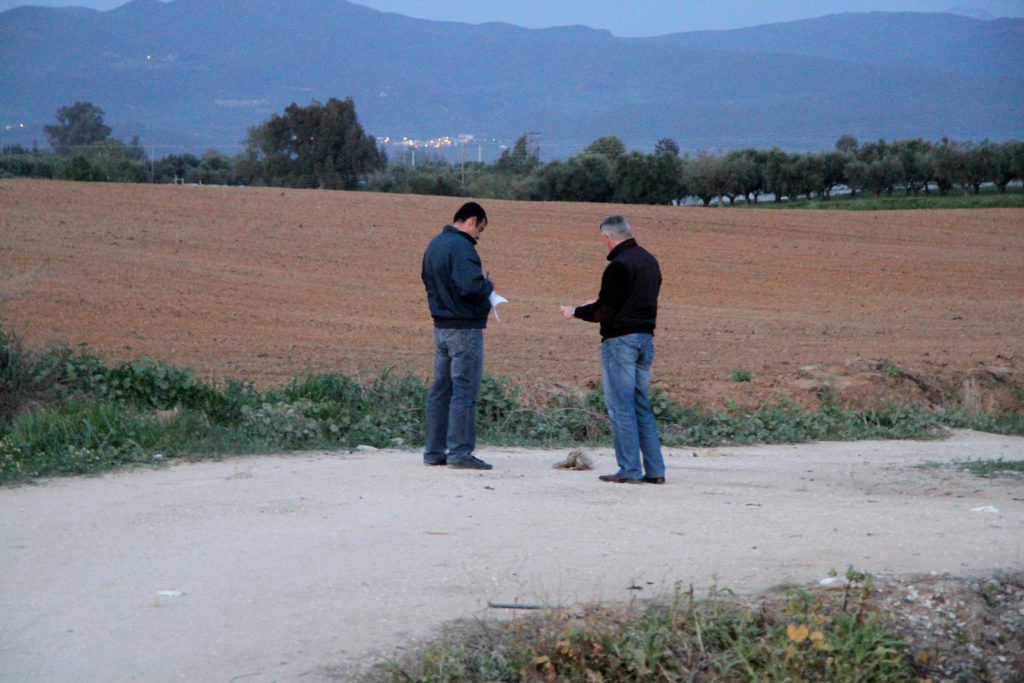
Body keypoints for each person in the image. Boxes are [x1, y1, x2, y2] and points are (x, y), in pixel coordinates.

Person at [560, 215, 666, 484]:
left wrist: (576, 311)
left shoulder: (618, 266)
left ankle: (629, 469)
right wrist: (596, 304)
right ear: (630, 231)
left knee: (620, 407)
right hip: (645, 340)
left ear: (607, 238)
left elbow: (604, 311)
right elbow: (631, 300)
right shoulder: (649, 261)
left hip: (620, 343)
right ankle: (655, 471)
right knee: (642, 405)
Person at [421, 201, 495, 470]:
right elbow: (471, 286)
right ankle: (461, 453)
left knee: (440, 391)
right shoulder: (463, 247)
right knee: (464, 391)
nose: (479, 237)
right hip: (465, 329)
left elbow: (428, 280)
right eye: (481, 230)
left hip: (441, 327)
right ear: (472, 221)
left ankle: (434, 451)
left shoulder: (435, 245)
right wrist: (489, 285)